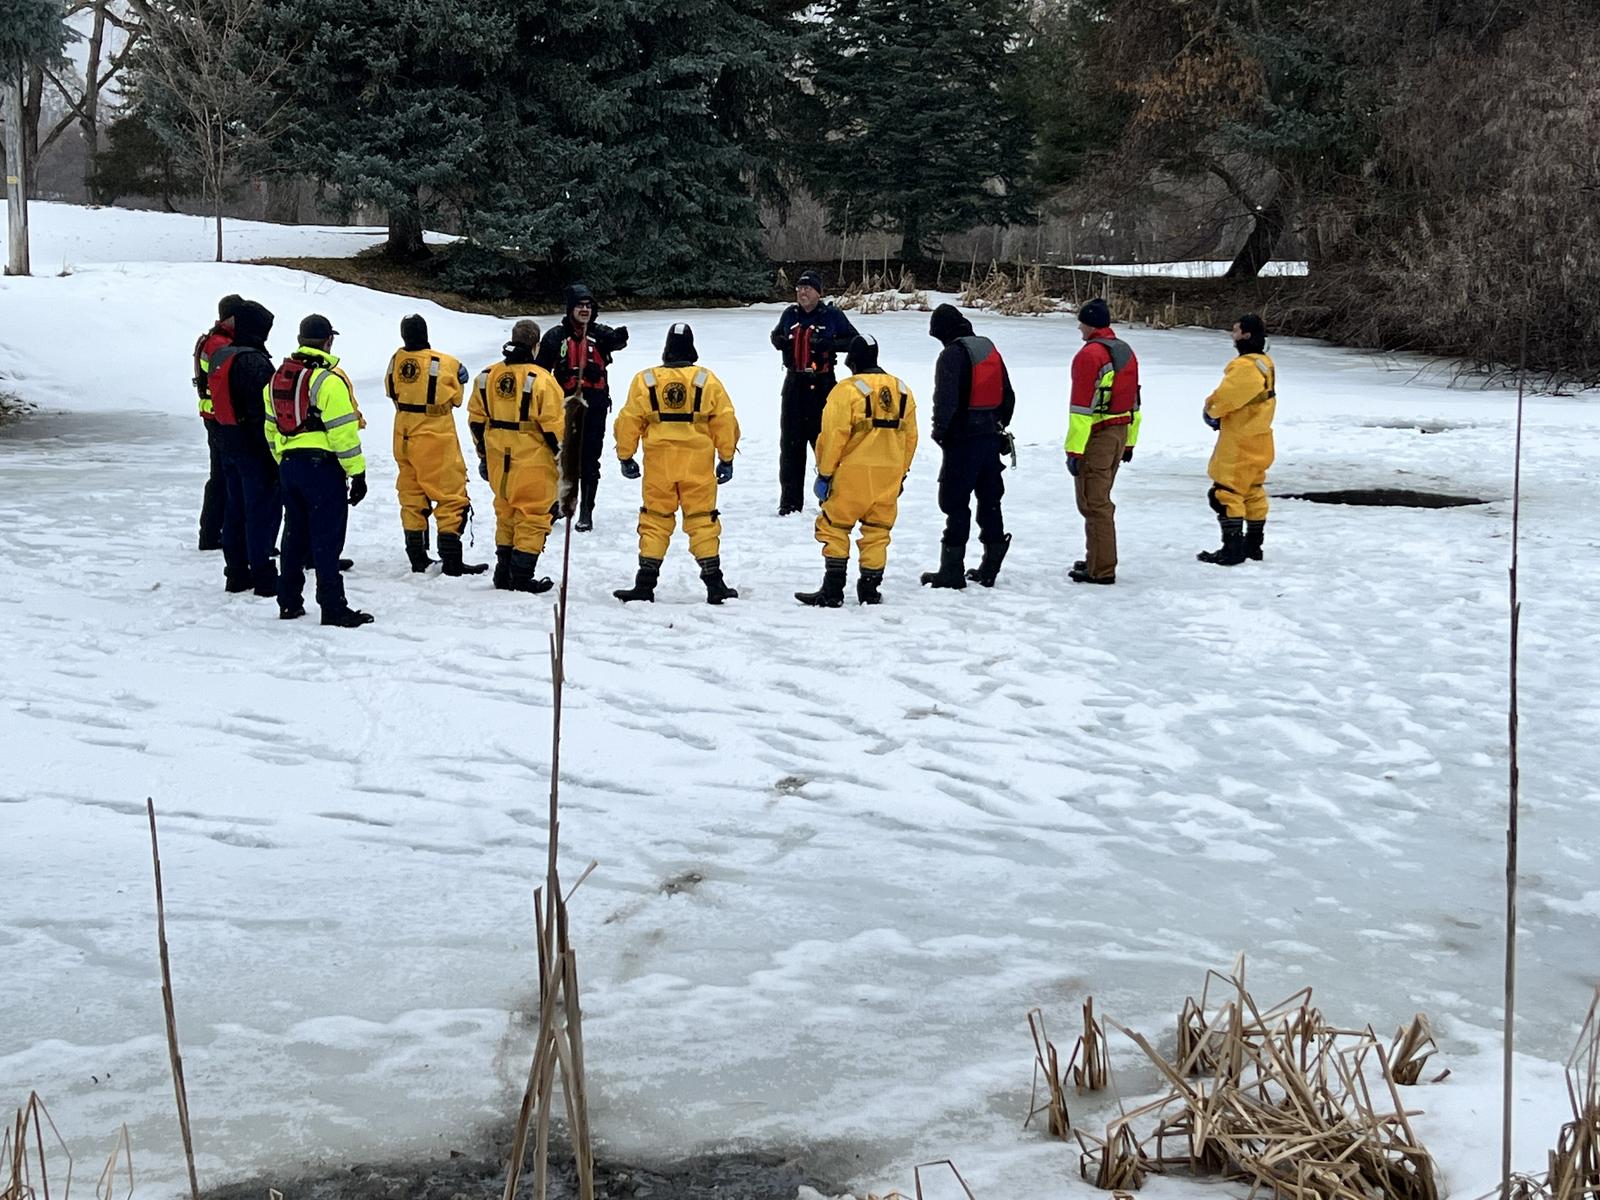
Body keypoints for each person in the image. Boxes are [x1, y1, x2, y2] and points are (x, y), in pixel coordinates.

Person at [611, 322, 740, 605]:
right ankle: (714, 583)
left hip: (660, 464)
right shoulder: (707, 380)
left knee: (655, 519)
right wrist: (726, 457)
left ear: (666, 348)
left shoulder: (645, 381)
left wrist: (625, 456)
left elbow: (628, 421)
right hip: (697, 463)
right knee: (702, 519)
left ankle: (644, 584)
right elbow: (725, 420)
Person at [264, 315, 372, 627]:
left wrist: (283, 461)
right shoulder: (328, 381)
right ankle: (332, 605)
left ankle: (288, 601)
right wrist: (358, 473)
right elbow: (343, 433)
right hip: (322, 469)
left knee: (294, 535)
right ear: (328, 341)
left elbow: (270, 430)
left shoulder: (277, 379)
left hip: (289, 465)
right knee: (327, 538)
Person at [797, 335, 918, 607]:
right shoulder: (902, 390)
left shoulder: (846, 391)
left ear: (851, 360)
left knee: (835, 527)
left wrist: (825, 474)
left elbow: (832, 436)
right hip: (888, 476)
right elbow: (911, 438)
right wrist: (902, 473)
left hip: (851, 475)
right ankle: (870, 589)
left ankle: (833, 589)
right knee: (877, 531)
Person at [919, 303, 1016, 589]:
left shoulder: (951, 354)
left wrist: (940, 432)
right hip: (990, 436)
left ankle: (951, 571)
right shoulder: (987, 349)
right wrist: (998, 424)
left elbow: (945, 400)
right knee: (990, 500)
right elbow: (1008, 395)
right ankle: (991, 563)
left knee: (955, 503)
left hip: (962, 440)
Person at [470, 320, 566, 593]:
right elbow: (554, 428)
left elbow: (476, 422)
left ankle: (503, 572)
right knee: (533, 515)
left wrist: (484, 455)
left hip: (499, 457)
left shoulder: (486, 376)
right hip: (532, 459)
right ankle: (521, 577)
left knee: (506, 511)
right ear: (536, 346)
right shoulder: (543, 380)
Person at [384, 314, 484, 576]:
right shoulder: (446, 362)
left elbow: (390, 390)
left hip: (403, 434)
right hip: (435, 437)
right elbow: (456, 399)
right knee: (451, 496)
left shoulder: (395, 360)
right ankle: (451, 561)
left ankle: (417, 558)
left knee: (411, 494)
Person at [204, 299, 283, 597]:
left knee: (234, 512)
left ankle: (236, 573)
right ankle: (263, 576)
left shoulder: (222, 355)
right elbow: (264, 413)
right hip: (254, 448)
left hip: (228, 442)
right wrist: (272, 455)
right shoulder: (255, 362)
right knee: (260, 512)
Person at [536, 284, 628, 532]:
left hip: (594, 406)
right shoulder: (555, 336)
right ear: (570, 309)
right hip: (563, 408)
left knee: (589, 460)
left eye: (589, 306)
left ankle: (585, 511)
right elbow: (539, 371)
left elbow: (617, 342)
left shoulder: (599, 334)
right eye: (580, 306)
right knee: (561, 458)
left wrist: (620, 338)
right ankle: (558, 504)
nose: (585, 310)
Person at [1065, 297, 1142, 585]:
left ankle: (1101, 569)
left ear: (1088, 323)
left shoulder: (1089, 356)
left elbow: (1081, 409)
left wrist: (1074, 449)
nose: (1079, 328)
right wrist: (1130, 442)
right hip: (1120, 432)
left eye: (1081, 323)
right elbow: (1134, 403)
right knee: (1098, 500)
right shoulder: (1124, 351)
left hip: (1097, 436)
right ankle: (1096, 557)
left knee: (1094, 503)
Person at [768, 269, 859, 515]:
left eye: (808, 288)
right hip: (794, 384)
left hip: (822, 385)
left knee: (826, 443)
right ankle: (790, 502)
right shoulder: (790, 314)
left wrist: (830, 344)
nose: (802, 291)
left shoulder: (832, 315)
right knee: (790, 445)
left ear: (818, 292)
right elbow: (775, 334)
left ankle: (829, 499)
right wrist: (779, 341)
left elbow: (854, 341)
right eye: (799, 287)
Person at [1198, 313, 1276, 565]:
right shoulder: (1265, 363)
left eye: (1235, 330)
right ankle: (1253, 546)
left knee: (1225, 492)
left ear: (1246, 335)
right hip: (1260, 438)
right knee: (1252, 491)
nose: (1232, 335)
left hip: (1239, 442)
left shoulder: (1245, 367)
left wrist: (1210, 410)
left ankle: (1232, 549)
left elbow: (1226, 397)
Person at [193, 294, 243, 551]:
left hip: (213, 415)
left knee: (221, 476)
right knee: (223, 477)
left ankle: (213, 531)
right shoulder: (219, 344)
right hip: (220, 417)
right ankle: (213, 533)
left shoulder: (212, 340)